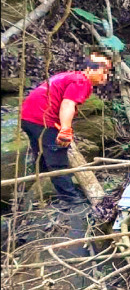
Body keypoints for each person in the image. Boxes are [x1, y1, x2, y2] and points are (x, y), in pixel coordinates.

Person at [20, 53, 113, 206]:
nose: (105, 76)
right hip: (43, 119)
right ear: (89, 69)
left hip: (29, 117)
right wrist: (65, 129)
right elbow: (68, 104)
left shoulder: (69, 76)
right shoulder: (82, 81)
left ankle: (44, 194)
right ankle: (71, 200)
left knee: (43, 156)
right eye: (103, 71)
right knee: (57, 160)